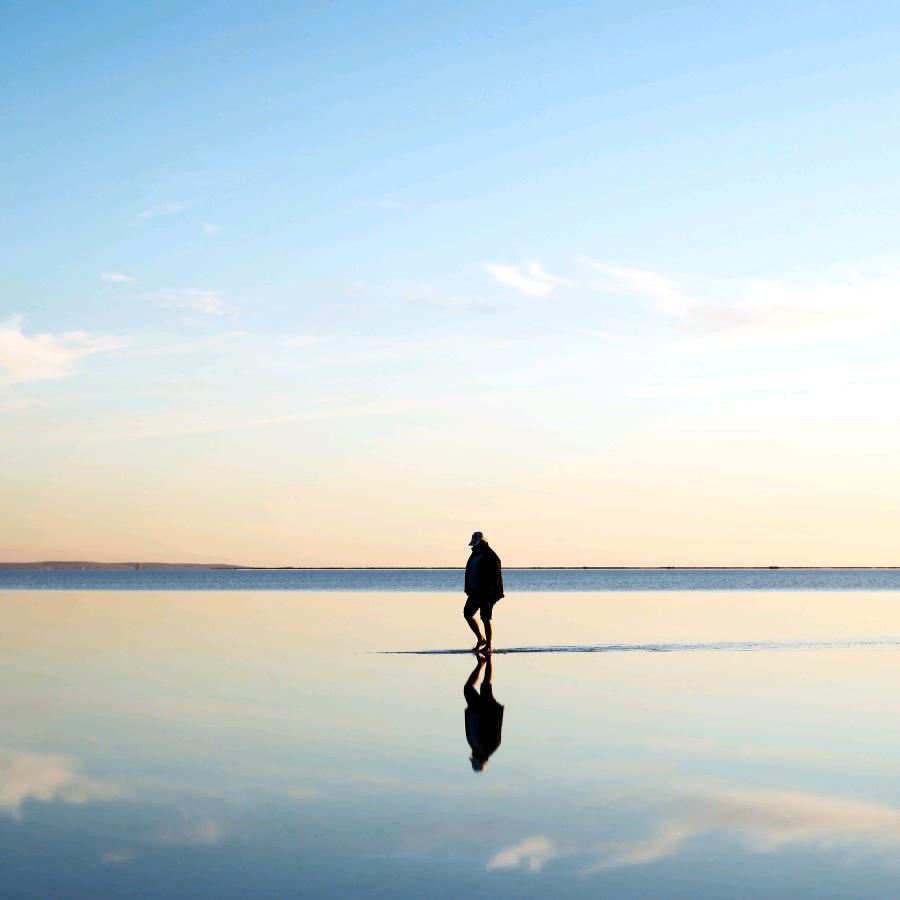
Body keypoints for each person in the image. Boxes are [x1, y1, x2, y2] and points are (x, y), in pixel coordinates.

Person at [463, 531, 504, 652]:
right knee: (467, 614)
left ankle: (489, 645)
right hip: (474, 593)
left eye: (477, 543)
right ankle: (481, 639)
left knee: (485, 618)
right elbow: (469, 572)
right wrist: (468, 588)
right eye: (474, 544)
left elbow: (495, 578)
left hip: (487, 594)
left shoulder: (491, 556)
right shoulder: (474, 555)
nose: (474, 546)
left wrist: (489, 595)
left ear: (483, 542)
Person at [464, 653, 504, 772]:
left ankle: (481, 663)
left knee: (468, 688)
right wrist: (488, 708)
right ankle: (489, 659)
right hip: (486, 709)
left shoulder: (476, 748)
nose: (473, 756)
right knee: (485, 685)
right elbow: (494, 725)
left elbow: (471, 730)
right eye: (474, 759)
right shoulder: (491, 746)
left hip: (476, 710)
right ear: (480, 759)